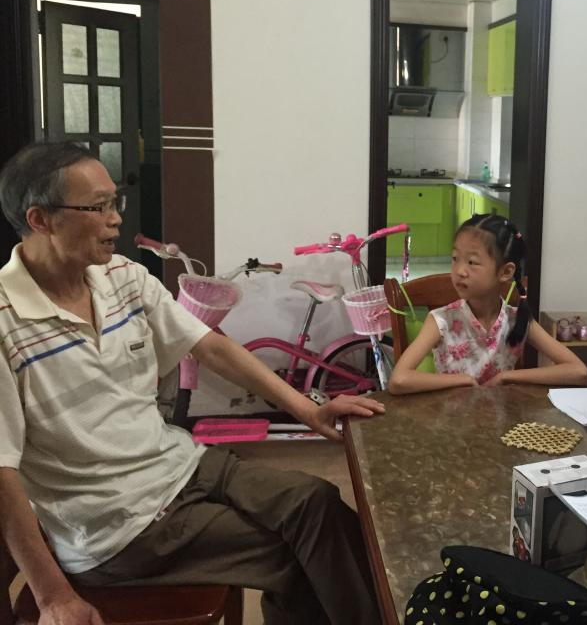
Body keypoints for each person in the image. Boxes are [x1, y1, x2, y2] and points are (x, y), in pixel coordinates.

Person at [0, 142, 383, 625]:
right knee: (302, 555)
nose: (116, 219)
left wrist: (309, 409)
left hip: (181, 464)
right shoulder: (5, 322)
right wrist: (53, 596)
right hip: (120, 528)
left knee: (317, 503)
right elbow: (2, 472)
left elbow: (210, 346)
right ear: (40, 219)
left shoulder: (122, 276)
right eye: (98, 207)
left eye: (115, 202)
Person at [387, 213, 587, 394]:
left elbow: (579, 372)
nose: (459, 271)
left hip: (502, 420)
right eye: (455, 258)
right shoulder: (441, 321)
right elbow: (399, 380)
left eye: (472, 262)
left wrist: (506, 377)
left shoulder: (516, 320)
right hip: (451, 419)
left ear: (505, 272)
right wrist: (463, 380)